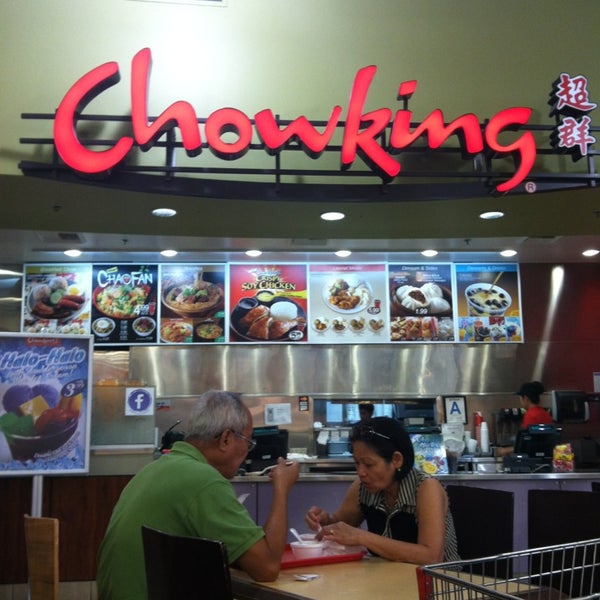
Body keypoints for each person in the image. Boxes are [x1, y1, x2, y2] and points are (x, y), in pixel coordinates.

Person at [96, 390, 299, 600]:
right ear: (226, 439)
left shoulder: (155, 468)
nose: (248, 450)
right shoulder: (204, 480)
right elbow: (267, 568)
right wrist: (281, 488)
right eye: (248, 442)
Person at [305, 417, 460, 565]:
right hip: (389, 576)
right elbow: (341, 525)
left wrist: (362, 537)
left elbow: (431, 557)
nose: (361, 472)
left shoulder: (426, 488)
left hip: (440, 580)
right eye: (357, 463)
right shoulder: (361, 487)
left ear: (396, 460)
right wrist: (324, 521)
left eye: (369, 464)